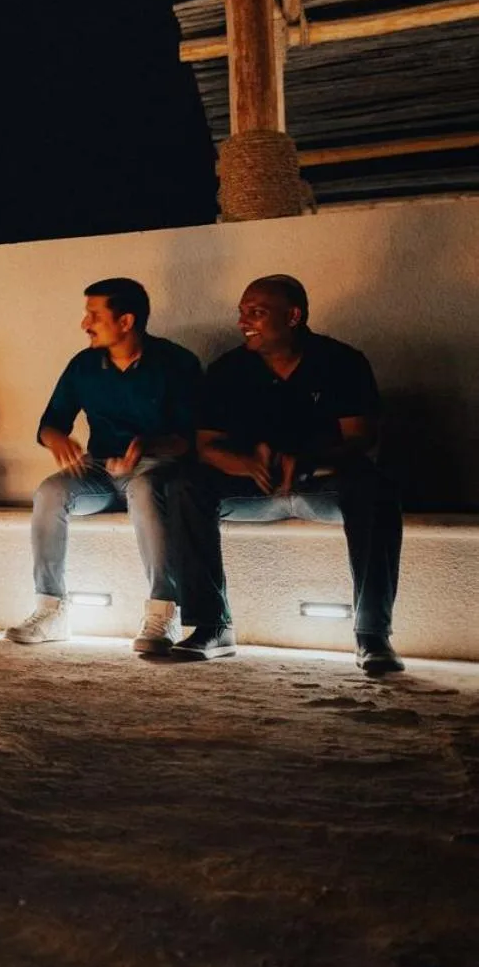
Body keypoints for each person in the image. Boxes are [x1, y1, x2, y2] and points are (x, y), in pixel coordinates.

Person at [163, 276, 404, 673]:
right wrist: (247, 464)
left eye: (256, 312)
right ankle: (211, 626)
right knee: (184, 486)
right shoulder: (228, 369)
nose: (244, 322)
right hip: (252, 488)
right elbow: (207, 446)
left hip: (322, 485)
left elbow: (362, 440)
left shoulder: (340, 361)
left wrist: (309, 462)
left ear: (293, 316)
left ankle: (373, 635)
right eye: (242, 313)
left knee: (376, 489)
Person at [6, 278, 202, 653]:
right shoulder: (84, 364)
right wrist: (58, 440)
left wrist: (146, 447)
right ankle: (51, 609)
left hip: (155, 468)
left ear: (126, 321)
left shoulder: (177, 363)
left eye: (93, 315)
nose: (85, 323)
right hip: (98, 470)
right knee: (49, 491)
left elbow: (189, 440)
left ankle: (164, 610)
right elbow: (49, 425)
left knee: (145, 489)